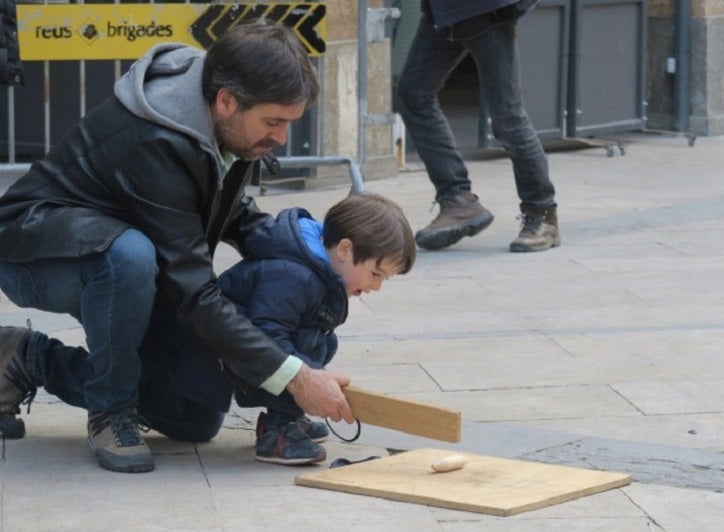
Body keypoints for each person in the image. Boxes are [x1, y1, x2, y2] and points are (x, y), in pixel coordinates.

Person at [0, 20, 355, 474]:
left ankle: (25, 359)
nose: (281, 139)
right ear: (227, 101)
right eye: (273, 122)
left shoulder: (224, 118)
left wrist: (318, 263)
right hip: (37, 252)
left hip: (123, 254)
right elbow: (192, 291)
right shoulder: (158, 139)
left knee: (191, 413)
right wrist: (295, 375)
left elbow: (235, 214)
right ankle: (111, 410)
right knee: (128, 256)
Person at [165, 193, 416, 465]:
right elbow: (266, 336)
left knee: (323, 341)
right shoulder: (294, 274)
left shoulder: (315, 269)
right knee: (309, 341)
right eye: (376, 274)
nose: (375, 287)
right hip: (215, 356)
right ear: (344, 250)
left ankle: (287, 415)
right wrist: (305, 379)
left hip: (244, 351)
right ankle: (277, 430)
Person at [396, 0, 560, 253]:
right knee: (414, 96)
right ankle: (457, 200)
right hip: (446, 13)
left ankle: (542, 215)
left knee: (508, 119)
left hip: (485, 11)